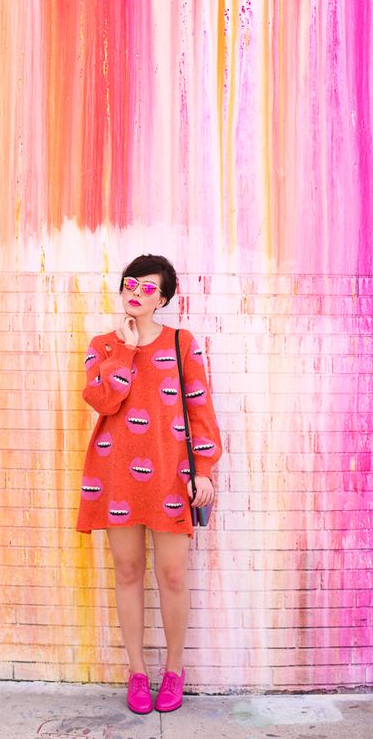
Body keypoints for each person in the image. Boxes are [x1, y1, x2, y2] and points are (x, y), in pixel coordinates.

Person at [76, 254, 222, 714]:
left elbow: (200, 410)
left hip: (171, 475)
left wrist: (204, 468)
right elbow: (103, 400)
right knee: (127, 570)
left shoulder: (182, 343)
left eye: (147, 288)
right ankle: (137, 672)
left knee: (172, 573)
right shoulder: (102, 345)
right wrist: (125, 349)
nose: (136, 293)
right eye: (130, 284)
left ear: (162, 298)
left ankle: (174, 670)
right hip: (116, 475)